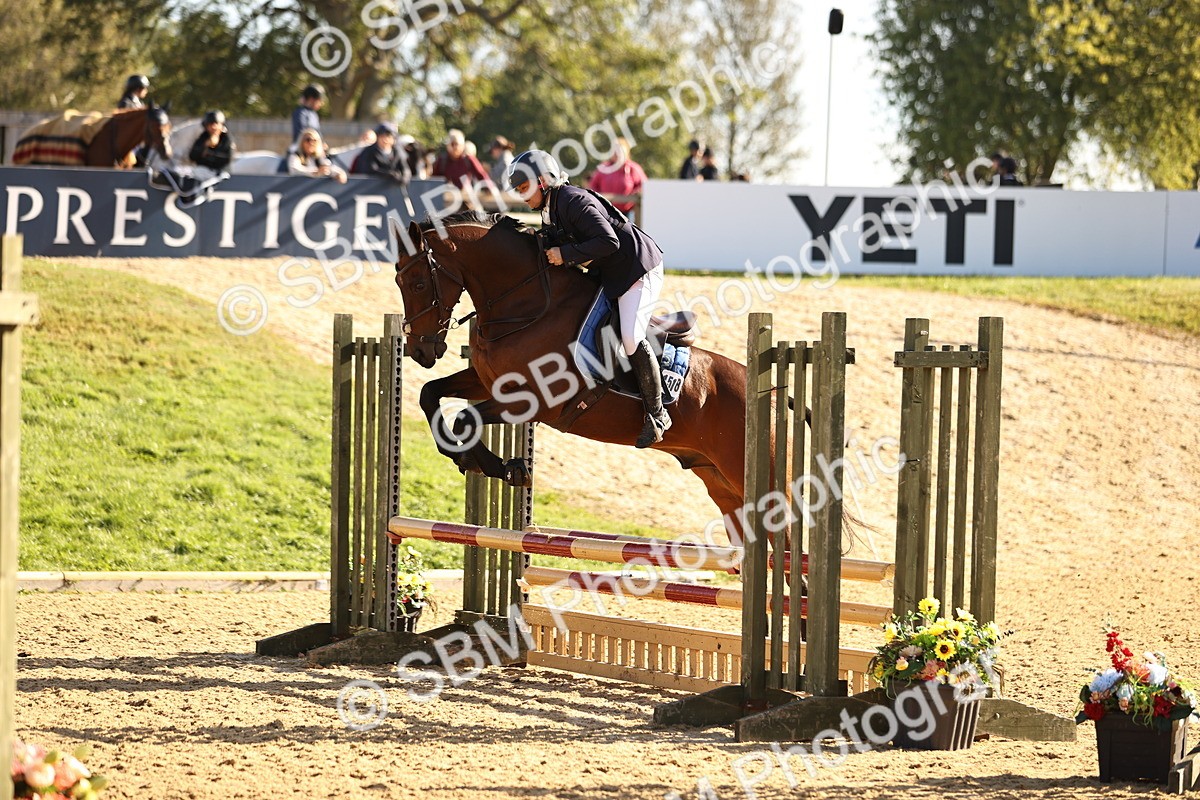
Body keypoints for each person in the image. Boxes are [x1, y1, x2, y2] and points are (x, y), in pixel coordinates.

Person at [508, 149, 670, 448]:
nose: (521, 196)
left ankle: (657, 415)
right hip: (612, 273)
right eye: (518, 191)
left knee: (631, 337)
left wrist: (565, 254)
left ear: (543, 181)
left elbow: (609, 241)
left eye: (524, 188)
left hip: (637, 268)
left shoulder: (572, 200)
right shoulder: (551, 209)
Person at [587, 137, 646, 217]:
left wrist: (635, 195)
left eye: (620, 151)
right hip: (605, 211)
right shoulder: (603, 168)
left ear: (626, 152)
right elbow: (592, 187)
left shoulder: (634, 169)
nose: (617, 154)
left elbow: (644, 186)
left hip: (628, 213)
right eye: (614, 151)